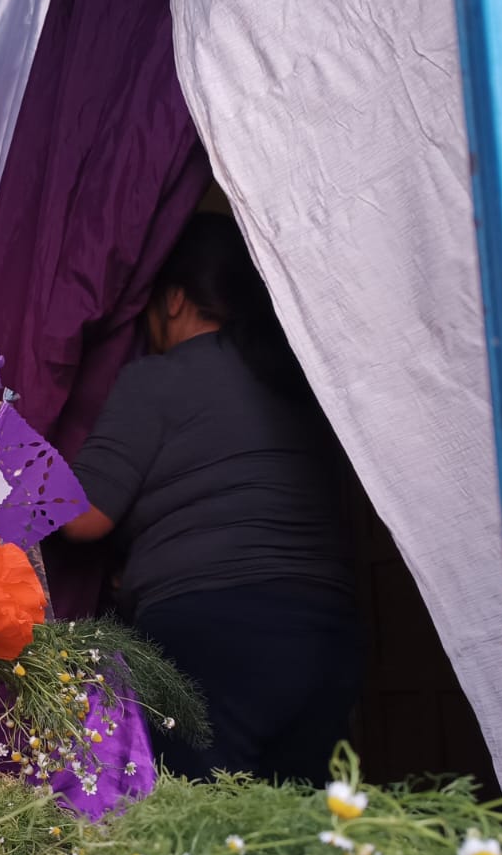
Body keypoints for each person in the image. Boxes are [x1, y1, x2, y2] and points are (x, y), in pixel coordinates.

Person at [61, 213, 360, 785]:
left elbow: (84, 519)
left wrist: (14, 452)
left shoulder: (159, 378)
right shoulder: (301, 378)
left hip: (211, 634)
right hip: (325, 632)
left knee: (207, 834)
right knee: (305, 835)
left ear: (173, 300)